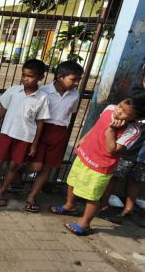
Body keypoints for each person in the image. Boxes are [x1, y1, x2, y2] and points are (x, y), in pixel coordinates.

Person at [51, 94, 145, 236]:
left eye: (125, 112)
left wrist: (112, 130)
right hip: (86, 153)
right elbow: (97, 125)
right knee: (72, 181)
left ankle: (85, 224)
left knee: (93, 196)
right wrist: (84, 137)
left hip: (102, 164)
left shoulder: (132, 131)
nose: (119, 111)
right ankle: (69, 205)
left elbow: (112, 149)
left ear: (135, 118)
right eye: (120, 106)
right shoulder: (109, 109)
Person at [0, 59, 50, 207]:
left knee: (13, 166)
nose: (25, 78)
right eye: (23, 74)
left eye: (30, 76)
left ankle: (2, 191)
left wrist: (35, 144)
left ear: (41, 77)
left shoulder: (43, 98)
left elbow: (40, 122)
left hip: (25, 138)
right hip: (7, 133)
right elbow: (2, 110)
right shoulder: (13, 91)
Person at [23, 61, 83, 212]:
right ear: (60, 77)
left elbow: (71, 111)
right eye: (73, 79)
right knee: (36, 165)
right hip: (41, 130)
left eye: (78, 80)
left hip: (60, 132)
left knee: (47, 167)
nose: (76, 83)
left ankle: (31, 196)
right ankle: (15, 173)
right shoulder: (43, 91)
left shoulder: (75, 95)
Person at [99, 67, 145, 226]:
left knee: (136, 179)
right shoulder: (136, 98)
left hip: (142, 151)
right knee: (114, 176)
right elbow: (123, 119)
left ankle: (129, 210)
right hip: (128, 147)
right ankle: (103, 205)